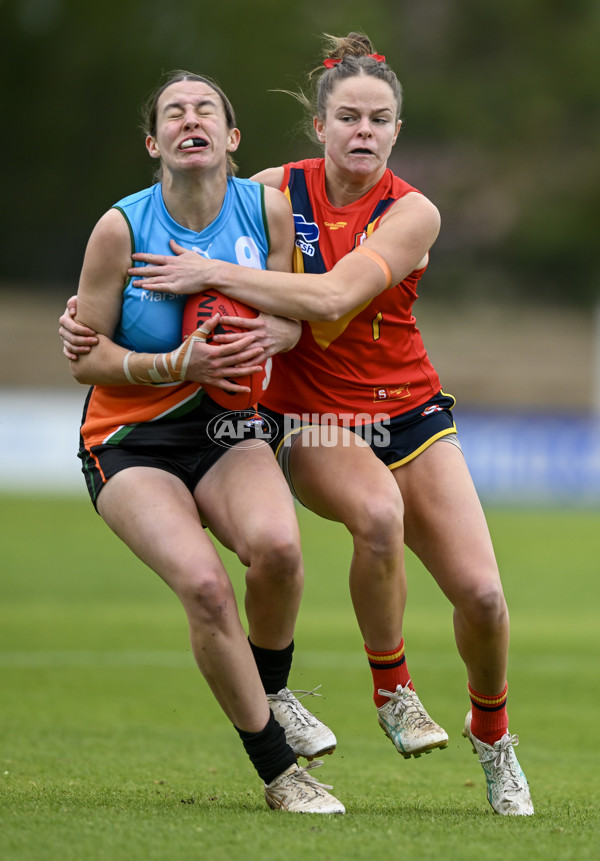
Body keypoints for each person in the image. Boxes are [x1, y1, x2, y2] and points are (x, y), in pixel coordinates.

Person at [61, 35, 533, 816]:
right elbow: (201, 212)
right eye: (347, 115)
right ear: (319, 126)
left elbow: (324, 301)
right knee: (376, 514)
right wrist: (90, 314)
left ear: (396, 131)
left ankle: (494, 737)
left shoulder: (413, 211)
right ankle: (394, 691)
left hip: (409, 412)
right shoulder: (277, 192)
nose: (362, 131)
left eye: (379, 119)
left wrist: (208, 275)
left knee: (483, 595)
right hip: (312, 418)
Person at [63, 69, 345, 814]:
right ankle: (281, 772)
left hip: (230, 428)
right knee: (205, 586)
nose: (191, 120)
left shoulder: (267, 210)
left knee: (279, 552)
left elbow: (292, 319)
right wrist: (171, 363)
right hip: (130, 437)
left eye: (206, 110)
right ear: (155, 142)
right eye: (174, 113)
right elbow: (82, 354)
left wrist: (268, 331)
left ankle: (271, 688)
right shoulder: (120, 227)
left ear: (232, 137)